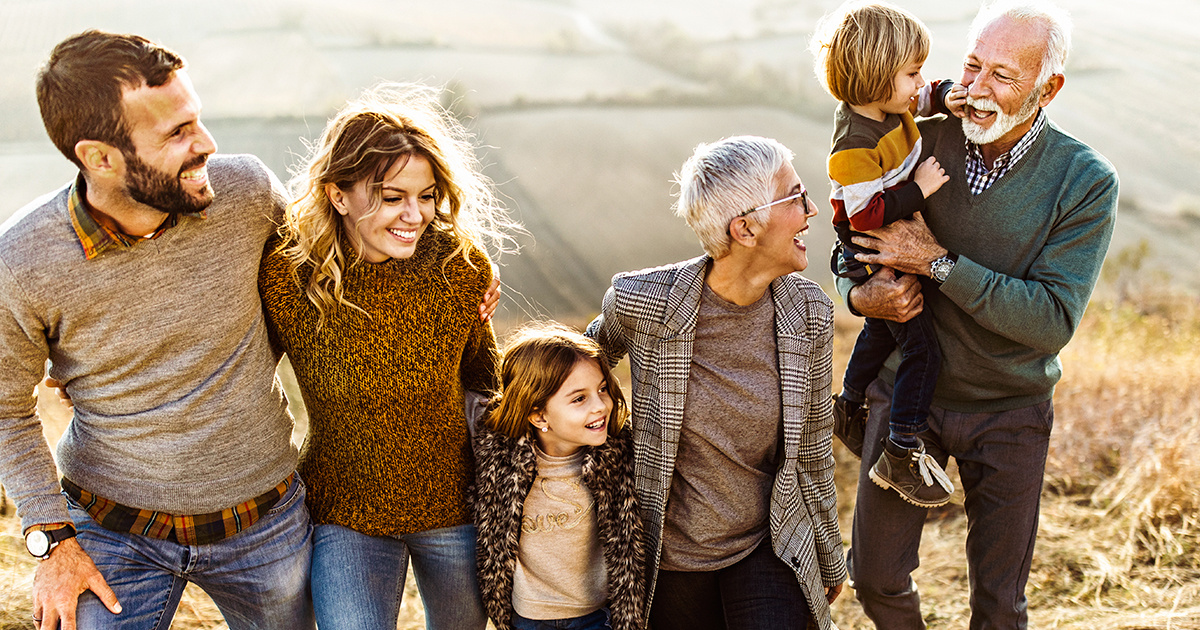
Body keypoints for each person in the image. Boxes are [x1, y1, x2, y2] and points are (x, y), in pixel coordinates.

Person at [0, 31, 313, 629]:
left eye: (196, 119)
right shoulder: (22, 261)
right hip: (113, 532)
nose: (207, 144)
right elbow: (5, 408)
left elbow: (327, 285)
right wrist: (52, 540)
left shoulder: (247, 192)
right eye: (177, 133)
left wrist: (458, 282)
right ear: (99, 157)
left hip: (267, 521)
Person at [836, 2, 1118, 628]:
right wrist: (859, 298)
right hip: (908, 394)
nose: (977, 90)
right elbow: (849, 233)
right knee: (875, 578)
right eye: (971, 66)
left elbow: (1050, 320)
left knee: (998, 603)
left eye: (1002, 76)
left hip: (1009, 412)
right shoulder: (917, 134)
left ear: (1049, 89)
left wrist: (938, 263)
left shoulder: (1085, 181)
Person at [257, 82, 518, 630]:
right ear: (338, 194)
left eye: (425, 196)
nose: (416, 215)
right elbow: (233, 361)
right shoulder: (289, 277)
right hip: (343, 511)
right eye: (393, 197)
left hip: (454, 509)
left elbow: (483, 384)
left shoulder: (458, 268)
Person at [587, 136, 846, 630]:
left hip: (767, 541)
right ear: (745, 228)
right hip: (667, 552)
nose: (812, 209)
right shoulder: (645, 302)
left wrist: (829, 554)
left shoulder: (808, 311)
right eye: (794, 197)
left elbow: (812, 449)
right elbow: (576, 365)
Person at [809, 0, 961, 507]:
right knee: (921, 349)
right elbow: (864, 216)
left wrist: (945, 94)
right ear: (877, 79)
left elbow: (917, 102)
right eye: (914, 73)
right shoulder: (853, 143)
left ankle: (847, 407)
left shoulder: (888, 106)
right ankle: (900, 449)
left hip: (887, 239)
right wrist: (919, 189)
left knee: (879, 331)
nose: (920, 83)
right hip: (871, 247)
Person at [472, 322, 646, 630]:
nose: (600, 405)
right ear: (539, 415)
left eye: (602, 389)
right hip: (528, 620)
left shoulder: (618, 457)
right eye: (579, 398)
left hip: (598, 618)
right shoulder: (499, 460)